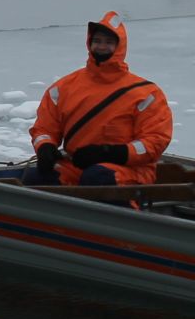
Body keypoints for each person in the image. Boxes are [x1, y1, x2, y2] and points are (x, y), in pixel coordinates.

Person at [25, 12, 173, 189]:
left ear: (120, 47)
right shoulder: (64, 87)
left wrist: (112, 153)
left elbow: (155, 141)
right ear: (89, 43)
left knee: (97, 177)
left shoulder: (146, 94)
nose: (102, 46)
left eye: (109, 42)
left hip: (129, 169)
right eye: (97, 41)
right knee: (36, 177)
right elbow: (44, 128)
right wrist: (45, 147)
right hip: (77, 166)